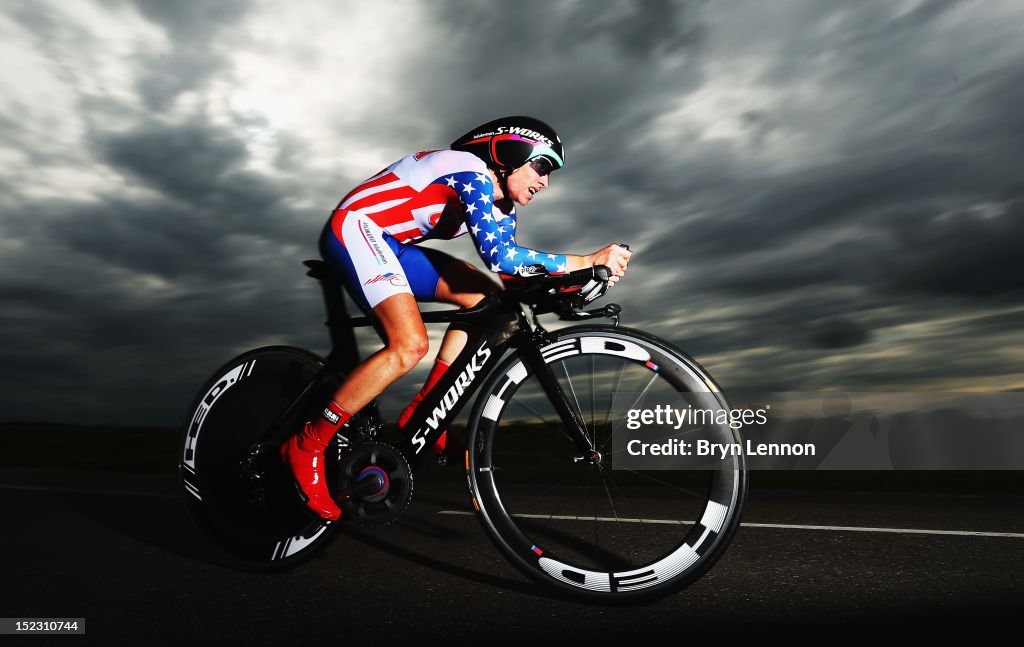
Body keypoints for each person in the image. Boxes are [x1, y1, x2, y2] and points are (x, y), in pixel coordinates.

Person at [281, 116, 632, 521]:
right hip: (357, 229)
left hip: (393, 245)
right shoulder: (469, 171)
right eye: (541, 166)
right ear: (510, 153)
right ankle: (306, 443)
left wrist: (574, 283)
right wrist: (585, 259)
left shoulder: (500, 204)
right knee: (409, 345)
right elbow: (501, 258)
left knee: (487, 299)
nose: (545, 182)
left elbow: (509, 278)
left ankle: (423, 410)